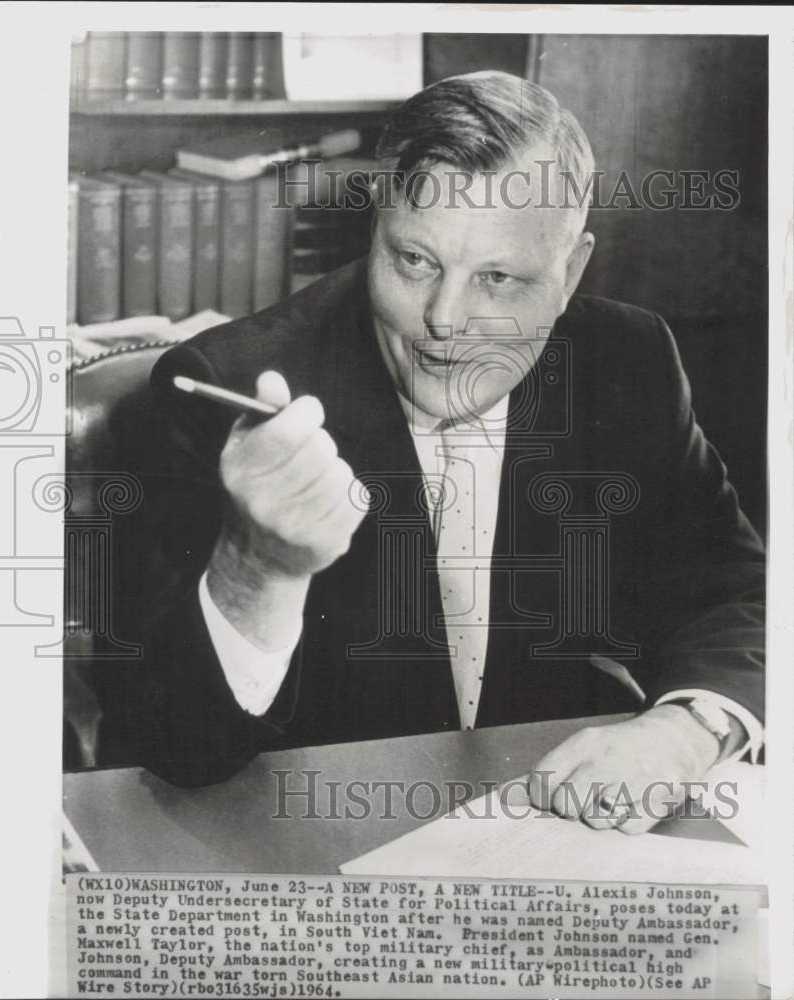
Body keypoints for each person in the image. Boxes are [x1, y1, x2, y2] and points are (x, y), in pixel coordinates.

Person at [114, 72, 764, 832]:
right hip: (308, 850)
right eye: (414, 261)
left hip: (550, 840)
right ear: (376, 229)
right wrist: (255, 569)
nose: (442, 320)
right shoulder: (227, 387)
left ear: (571, 271)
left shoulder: (628, 358)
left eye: (496, 278)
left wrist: (685, 730)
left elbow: (733, 592)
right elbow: (167, 747)